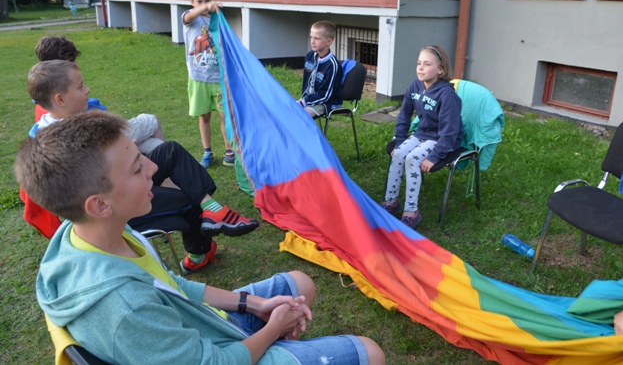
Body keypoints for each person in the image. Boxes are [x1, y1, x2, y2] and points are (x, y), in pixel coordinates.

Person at [17, 111, 386, 365]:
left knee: (301, 284)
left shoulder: (92, 232)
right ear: (100, 205)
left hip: (200, 328)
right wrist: (273, 328)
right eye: (136, 168)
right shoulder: (124, 308)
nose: (152, 167)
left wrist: (253, 305)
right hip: (213, 353)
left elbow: (173, 286)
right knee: (370, 353)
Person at [26, 59, 259, 273]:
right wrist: (126, 158)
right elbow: (95, 184)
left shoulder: (79, 119)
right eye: (80, 87)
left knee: (171, 151)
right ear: (60, 99)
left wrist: (128, 154)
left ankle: (213, 208)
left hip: (125, 180)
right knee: (188, 198)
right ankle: (200, 255)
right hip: (114, 204)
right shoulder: (55, 142)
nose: (87, 90)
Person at [33, 35, 165, 155]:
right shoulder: (57, 111)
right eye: (71, 62)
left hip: (104, 138)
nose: (87, 90)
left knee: (159, 147)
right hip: (106, 142)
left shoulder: (45, 99)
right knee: (152, 120)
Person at [380, 45, 463, 228]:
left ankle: (411, 213)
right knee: (399, 154)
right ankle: (391, 202)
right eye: (419, 63)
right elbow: (404, 116)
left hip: (441, 140)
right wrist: (399, 140)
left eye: (427, 64)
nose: (421, 68)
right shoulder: (415, 86)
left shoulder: (447, 95)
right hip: (422, 134)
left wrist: (435, 157)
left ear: (440, 69)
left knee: (412, 159)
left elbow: (449, 131)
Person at [182, 0, 235, 168]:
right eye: (199, 1)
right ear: (192, 2)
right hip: (199, 79)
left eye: (207, 0)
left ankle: (230, 151)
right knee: (204, 117)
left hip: (218, 79)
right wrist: (205, 7)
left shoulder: (217, 19)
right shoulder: (191, 19)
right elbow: (188, 16)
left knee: (224, 116)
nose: (204, 4)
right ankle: (207, 152)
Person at [298, 20, 343, 118]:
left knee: (301, 116)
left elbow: (325, 95)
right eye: (311, 37)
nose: (312, 41)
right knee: (287, 111)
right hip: (310, 99)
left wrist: (304, 102)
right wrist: (303, 101)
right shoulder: (310, 56)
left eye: (317, 38)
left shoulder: (332, 66)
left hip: (327, 102)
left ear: (329, 41)